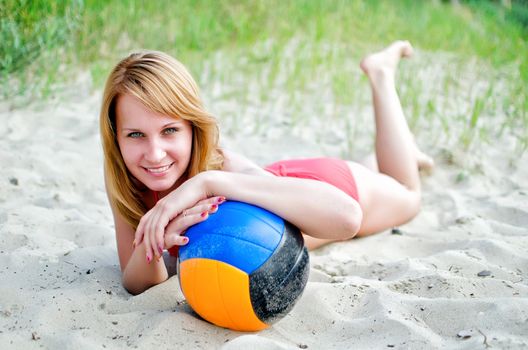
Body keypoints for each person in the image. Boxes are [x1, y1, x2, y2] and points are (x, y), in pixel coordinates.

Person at [100, 40, 433, 295]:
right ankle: (380, 158)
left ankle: (381, 74)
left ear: (192, 128)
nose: (154, 154)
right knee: (383, 174)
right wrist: (152, 246)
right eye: (136, 135)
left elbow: (347, 218)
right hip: (276, 184)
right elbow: (136, 280)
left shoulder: (221, 166)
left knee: (408, 192)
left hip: (325, 188)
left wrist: (207, 182)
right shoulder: (128, 176)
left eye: (170, 130)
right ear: (117, 137)